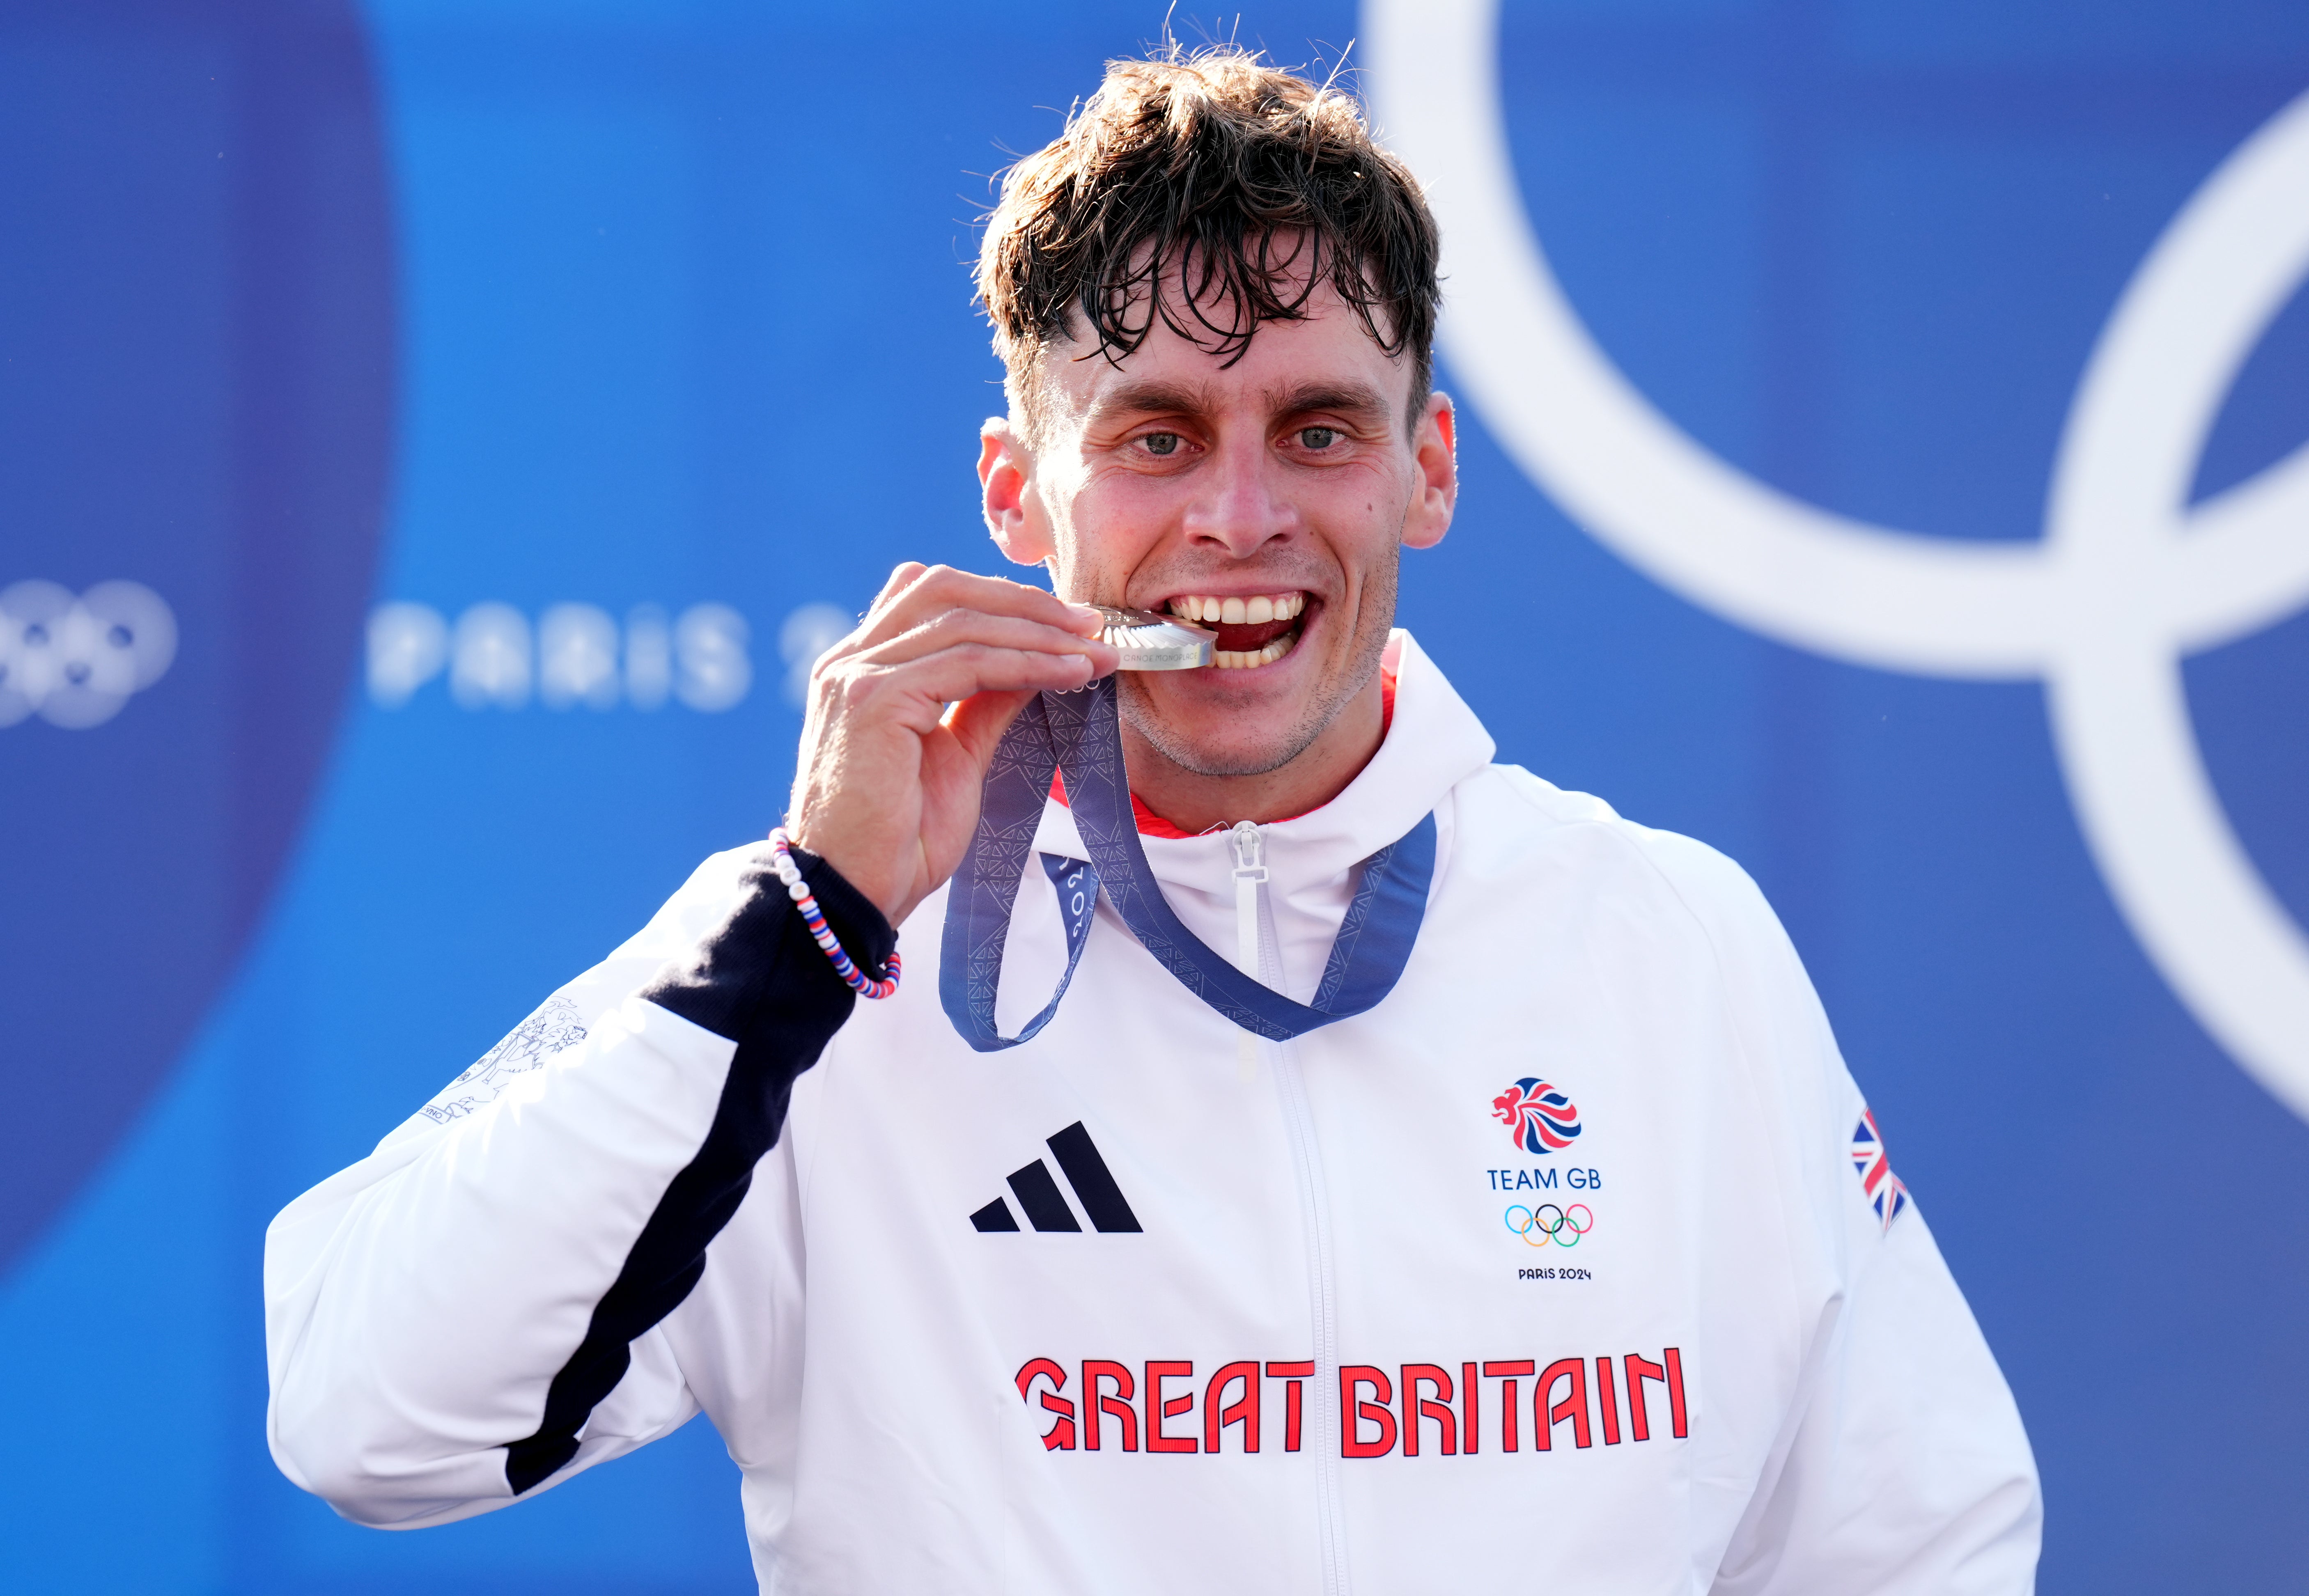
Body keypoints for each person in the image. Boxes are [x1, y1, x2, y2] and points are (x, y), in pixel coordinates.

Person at [265, 46, 2040, 1592]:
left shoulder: (1669, 947)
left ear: (1426, 470)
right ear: (1015, 491)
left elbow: (1910, 1541)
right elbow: (364, 1418)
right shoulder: (814, 979)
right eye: (1158, 437)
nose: (1242, 516)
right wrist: (806, 920)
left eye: (1321, 430)